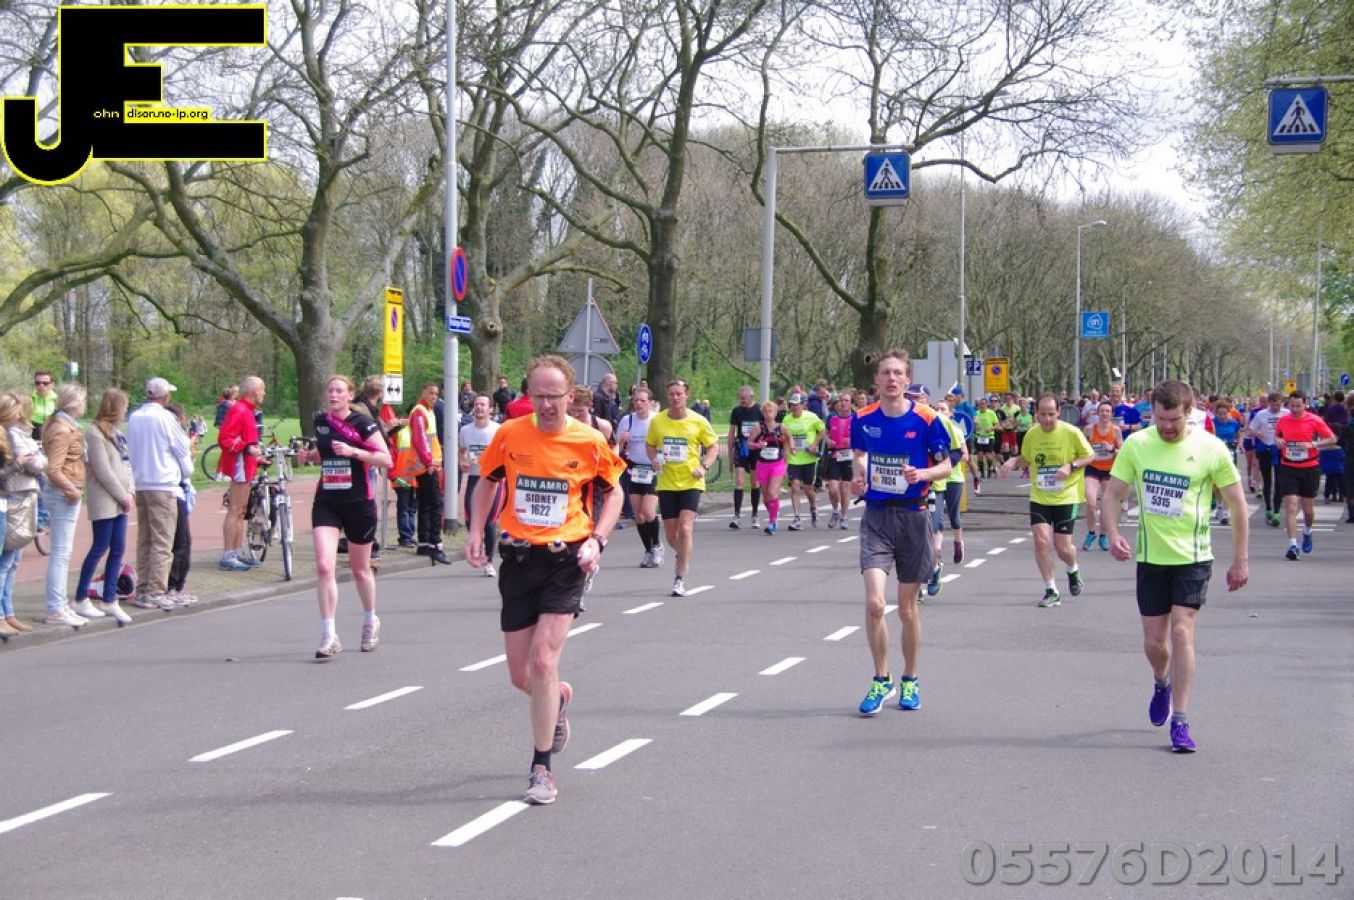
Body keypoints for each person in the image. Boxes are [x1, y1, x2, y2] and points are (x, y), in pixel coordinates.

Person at [465, 354, 624, 806]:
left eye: (554, 396)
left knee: (542, 662)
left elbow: (614, 493)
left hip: (566, 560)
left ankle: (541, 768)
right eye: (538, 396)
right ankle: (558, 698)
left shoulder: (589, 441)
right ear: (528, 395)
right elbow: (487, 482)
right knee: (522, 676)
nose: (547, 404)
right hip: (518, 558)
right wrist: (475, 531)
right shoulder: (510, 434)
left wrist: (597, 540)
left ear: (570, 396)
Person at [1101, 379, 1250, 753]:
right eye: (1161, 419)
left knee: (1182, 633)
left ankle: (1180, 722)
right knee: (1155, 643)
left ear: (1190, 412)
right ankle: (1161, 682)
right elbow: (1113, 493)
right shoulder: (1137, 444)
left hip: (1193, 558)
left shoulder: (1210, 448)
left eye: (1175, 420)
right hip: (1151, 558)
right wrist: (1112, 533)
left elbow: (1237, 505)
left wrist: (1240, 560)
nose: (1167, 427)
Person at [851, 350, 951, 715]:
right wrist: (859, 475)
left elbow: (946, 465)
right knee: (875, 604)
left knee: (907, 609)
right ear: (876, 380)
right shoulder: (862, 418)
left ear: (907, 380)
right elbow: (860, 455)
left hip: (913, 516)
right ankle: (881, 679)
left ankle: (911, 678)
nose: (891, 379)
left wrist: (923, 474)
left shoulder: (927, 419)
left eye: (897, 373)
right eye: (885, 373)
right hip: (876, 518)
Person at [300, 375, 391, 659]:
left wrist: (354, 451)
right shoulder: (321, 422)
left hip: (358, 502)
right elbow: (325, 452)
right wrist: (309, 456)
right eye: (330, 391)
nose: (334, 395)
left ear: (350, 395)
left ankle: (370, 620)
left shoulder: (362, 423)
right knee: (324, 566)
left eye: (339, 391)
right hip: (327, 501)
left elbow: (385, 458)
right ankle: (329, 635)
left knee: (360, 569)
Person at [1000, 393, 1096, 608]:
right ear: (1036, 414)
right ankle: (1051, 589)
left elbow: (1090, 456)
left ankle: (1072, 569)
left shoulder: (1071, 432)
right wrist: (1013, 461)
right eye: (1042, 414)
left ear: (1059, 413)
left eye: (1051, 414)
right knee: (1041, 540)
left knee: (1063, 548)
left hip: (1066, 496)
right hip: (1040, 495)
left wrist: (1071, 466)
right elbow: (1027, 459)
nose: (1047, 419)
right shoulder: (1032, 434)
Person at [127, 378, 196, 610]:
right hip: (163, 484)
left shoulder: (134, 417)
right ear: (165, 396)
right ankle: (156, 590)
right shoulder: (166, 418)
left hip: (141, 483)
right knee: (162, 542)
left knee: (145, 540)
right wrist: (186, 470)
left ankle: (143, 588)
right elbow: (182, 448)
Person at [646, 379, 718, 597]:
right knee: (671, 535)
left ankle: (680, 575)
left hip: (691, 481)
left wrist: (704, 467)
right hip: (667, 482)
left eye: (679, 393)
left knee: (685, 528)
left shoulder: (698, 421)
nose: (675, 397)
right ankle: (683, 554)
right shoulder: (658, 421)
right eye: (672, 394)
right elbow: (650, 445)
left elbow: (713, 447)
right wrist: (654, 460)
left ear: (687, 395)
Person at [73, 388, 135, 625]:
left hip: (121, 498)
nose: (126, 411)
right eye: (124, 406)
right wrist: (122, 495)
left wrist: (130, 491)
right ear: (115, 408)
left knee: (118, 547)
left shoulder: (117, 433)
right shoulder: (94, 433)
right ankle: (81, 596)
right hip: (105, 498)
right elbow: (103, 470)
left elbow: (127, 464)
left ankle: (110, 598)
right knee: (100, 546)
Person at [40, 383, 88, 627]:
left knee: (63, 552)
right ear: (74, 404)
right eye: (82, 401)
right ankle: (56, 607)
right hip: (63, 493)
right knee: (61, 552)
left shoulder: (64, 426)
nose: (85, 405)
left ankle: (59, 604)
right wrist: (71, 491)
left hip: (66, 490)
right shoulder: (62, 429)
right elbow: (53, 469)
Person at [1273, 391, 1336, 560]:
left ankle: (1307, 531)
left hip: (1310, 468)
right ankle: (1293, 546)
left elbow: (1332, 439)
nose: (1294, 409)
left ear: (1305, 404)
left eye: (1298, 406)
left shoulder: (1314, 420)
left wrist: (1313, 444)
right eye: (1292, 406)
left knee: (1308, 511)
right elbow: (1277, 435)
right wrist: (1278, 441)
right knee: (1291, 506)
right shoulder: (1283, 420)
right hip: (1288, 466)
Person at [216, 376, 266, 571]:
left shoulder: (247, 411)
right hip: (240, 466)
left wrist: (256, 457)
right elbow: (225, 438)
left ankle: (236, 551)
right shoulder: (240, 410)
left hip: (247, 465)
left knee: (242, 511)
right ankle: (228, 554)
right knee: (235, 509)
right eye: (262, 390)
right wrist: (247, 449)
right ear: (255, 391)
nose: (264, 394)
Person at [616, 387, 664, 567]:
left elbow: (665, 445)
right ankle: (648, 550)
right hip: (634, 470)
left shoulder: (657, 420)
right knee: (639, 515)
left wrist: (659, 460)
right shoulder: (627, 420)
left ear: (650, 402)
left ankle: (657, 545)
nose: (639, 404)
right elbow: (619, 448)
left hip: (653, 470)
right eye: (636, 400)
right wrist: (622, 440)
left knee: (648, 512)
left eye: (643, 400)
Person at [926, 397, 969, 595]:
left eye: (943, 409)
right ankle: (925, 574)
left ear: (950, 413)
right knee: (923, 531)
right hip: (927, 482)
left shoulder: (953, 429)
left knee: (952, 518)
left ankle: (956, 544)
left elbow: (963, 454)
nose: (939, 411)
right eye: (937, 408)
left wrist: (945, 463)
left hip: (951, 478)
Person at [407, 382, 450, 564]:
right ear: (423, 392)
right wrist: (429, 462)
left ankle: (424, 543)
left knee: (425, 504)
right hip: (427, 466)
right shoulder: (420, 412)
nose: (434, 397)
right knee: (435, 503)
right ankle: (435, 544)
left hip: (426, 465)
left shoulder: (427, 411)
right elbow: (420, 439)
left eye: (436, 394)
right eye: (431, 393)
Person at [459, 394, 502, 577]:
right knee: (471, 519)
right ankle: (479, 546)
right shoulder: (465, 430)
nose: (479, 408)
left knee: (490, 521)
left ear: (490, 409)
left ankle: (489, 562)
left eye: (483, 405)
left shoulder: (498, 430)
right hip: (474, 478)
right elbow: (462, 451)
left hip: (494, 480)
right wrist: (463, 461)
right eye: (477, 404)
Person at [164, 402, 199, 606]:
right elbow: (186, 468)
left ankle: (171, 585)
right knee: (181, 541)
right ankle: (173, 586)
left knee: (170, 541)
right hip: (174, 490)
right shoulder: (174, 436)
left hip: (171, 489)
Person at [1081, 400, 1123, 551]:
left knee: (1106, 504)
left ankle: (1103, 536)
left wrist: (1112, 450)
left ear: (1111, 414)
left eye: (1107, 411)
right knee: (1090, 501)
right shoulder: (1089, 429)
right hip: (1092, 468)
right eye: (1102, 411)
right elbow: (1080, 448)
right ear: (1097, 413)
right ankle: (1091, 533)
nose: (1104, 414)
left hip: (1109, 470)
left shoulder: (1116, 431)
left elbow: (1122, 452)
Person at [781, 391, 826, 530]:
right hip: (794, 459)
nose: (794, 407)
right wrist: (785, 456)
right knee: (794, 487)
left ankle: (813, 508)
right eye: (792, 405)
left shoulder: (811, 417)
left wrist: (815, 444)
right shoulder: (786, 419)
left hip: (808, 458)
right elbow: (785, 438)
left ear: (803, 405)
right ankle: (797, 518)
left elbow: (823, 430)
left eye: (797, 405)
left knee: (808, 489)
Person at [747, 400, 789, 534]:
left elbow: (789, 440)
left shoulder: (781, 427)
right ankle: (774, 513)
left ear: (775, 413)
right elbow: (749, 443)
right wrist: (757, 445)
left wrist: (790, 451)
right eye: (765, 412)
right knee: (766, 498)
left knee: (772, 493)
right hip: (762, 464)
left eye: (770, 411)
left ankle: (772, 522)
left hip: (777, 463)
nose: (768, 414)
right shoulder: (758, 428)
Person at [1245, 392, 1284, 527]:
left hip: (1280, 450)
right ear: (1269, 403)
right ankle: (1268, 508)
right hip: (1265, 448)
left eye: (1277, 405)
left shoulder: (1286, 413)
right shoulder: (1261, 415)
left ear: (1281, 403)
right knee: (1267, 480)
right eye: (1272, 405)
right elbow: (1249, 431)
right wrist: (1257, 433)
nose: (1275, 408)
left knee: (1279, 481)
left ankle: (1277, 512)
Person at [726, 386, 763, 529]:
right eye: (740, 398)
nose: (741, 401)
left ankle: (755, 515)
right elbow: (731, 433)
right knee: (739, 481)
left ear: (751, 397)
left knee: (754, 482)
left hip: (755, 449)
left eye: (744, 398)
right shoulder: (737, 411)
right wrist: (730, 456)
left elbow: (765, 430)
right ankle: (737, 516)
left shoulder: (759, 410)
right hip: (742, 448)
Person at [823, 391, 856, 530]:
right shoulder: (832, 418)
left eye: (846, 400)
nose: (843, 403)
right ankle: (835, 511)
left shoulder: (856, 418)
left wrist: (852, 440)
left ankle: (844, 516)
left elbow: (862, 435)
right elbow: (824, 432)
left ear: (851, 403)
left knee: (845, 489)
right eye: (841, 400)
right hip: (835, 455)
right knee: (833, 488)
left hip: (849, 456)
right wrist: (828, 440)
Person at [971, 396, 999, 491]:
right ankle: (982, 474)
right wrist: (975, 427)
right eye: (980, 404)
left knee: (988, 456)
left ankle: (991, 468)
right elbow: (973, 424)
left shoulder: (991, 413)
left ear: (987, 405)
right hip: (979, 437)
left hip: (989, 437)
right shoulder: (976, 413)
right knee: (979, 456)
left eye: (983, 404)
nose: (982, 405)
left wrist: (991, 428)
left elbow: (997, 425)